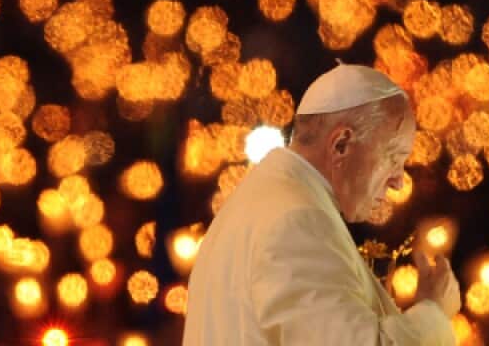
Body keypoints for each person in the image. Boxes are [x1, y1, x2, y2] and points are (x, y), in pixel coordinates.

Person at [184, 63, 459, 345]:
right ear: (341, 144)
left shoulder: (262, 199)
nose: (398, 181)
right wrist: (434, 314)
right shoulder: (295, 223)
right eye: (393, 157)